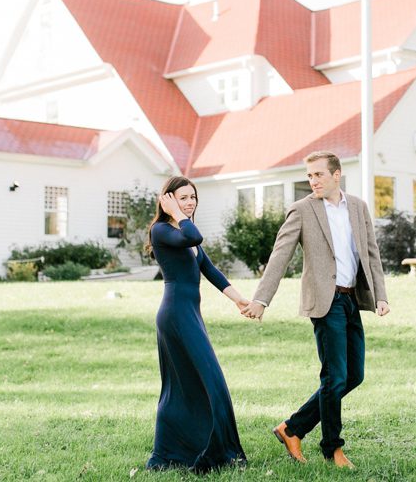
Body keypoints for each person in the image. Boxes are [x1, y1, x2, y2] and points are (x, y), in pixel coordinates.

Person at [241, 151, 390, 469]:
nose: (313, 181)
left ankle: (292, 428)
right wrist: (260, 299)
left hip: (352, 300)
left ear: (337, 175)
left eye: (318, 174)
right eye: (309, 176)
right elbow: (280, 255)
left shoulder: (359, 208)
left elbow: (372, 255)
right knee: (334, 376)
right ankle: (332, 449)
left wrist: (380, 295)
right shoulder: (303, 210)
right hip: (325, 302)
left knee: (353, 376)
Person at [145, 176, 248, 473]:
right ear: (168, 200)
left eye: (193, 197)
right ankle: (171, 451)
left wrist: (238, 299)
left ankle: (212, 447)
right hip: (175, 314)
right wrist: (176, 215)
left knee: (198, 383)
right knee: (194, 383)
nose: (190, 202)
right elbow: (193, 237)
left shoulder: (182, 230)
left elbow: (210, 269)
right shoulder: (162, 230)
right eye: (184, 197)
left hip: (190, 313)